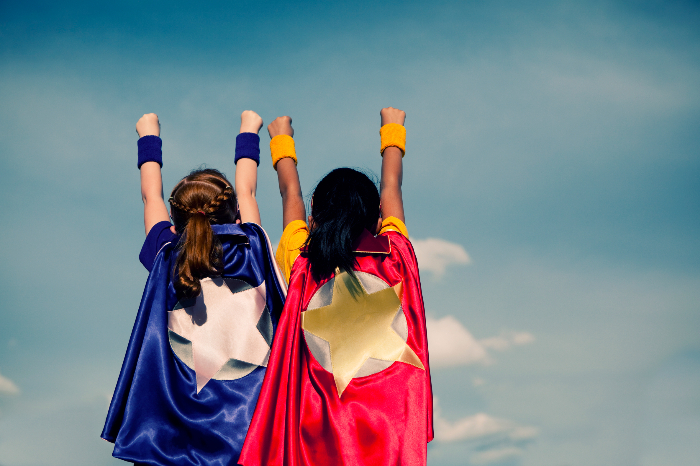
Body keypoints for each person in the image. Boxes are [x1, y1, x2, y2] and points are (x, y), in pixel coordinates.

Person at [239, 108, 434, 466]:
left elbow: (290, 194)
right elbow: (392, 186)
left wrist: (282, 141)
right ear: (378, 218)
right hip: (388, 437)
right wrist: (392, 129)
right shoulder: (397, 256)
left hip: (316, 438)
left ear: (313, 216)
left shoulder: (302, 260)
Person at [101, 111, 287, 465]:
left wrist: (148, 135)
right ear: (235, 215)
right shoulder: (253, 244)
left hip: (175, 437)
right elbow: (246, 189)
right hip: (248, 432)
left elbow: (150, 196)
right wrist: (249, 130)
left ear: (176, 220)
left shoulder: (167, 252)